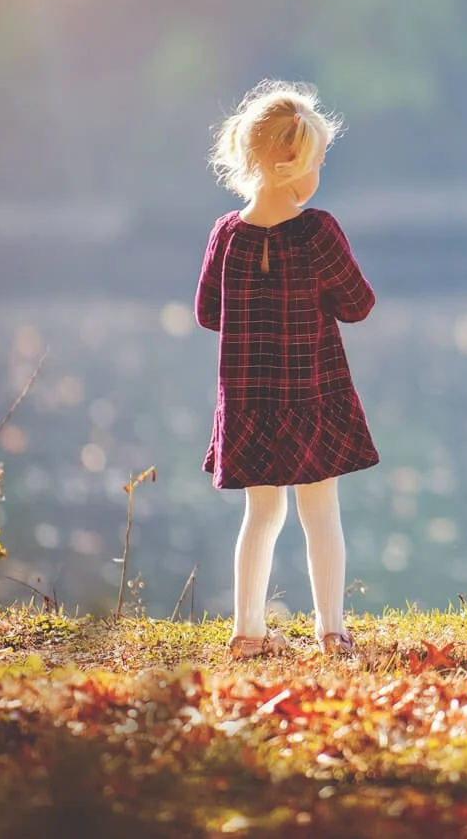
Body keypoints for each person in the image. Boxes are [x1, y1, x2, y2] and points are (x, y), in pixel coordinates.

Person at [196, 80, 378, 659]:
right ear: (293, 166)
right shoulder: (318, 231)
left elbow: (207, 313)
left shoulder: (227, 234)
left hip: (249, 401)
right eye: (318, 162)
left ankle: (247, 632)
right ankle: (332, 631)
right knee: (320, 512)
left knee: (262, 513)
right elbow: (358, 303)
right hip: (312, 395)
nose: (319, 174)